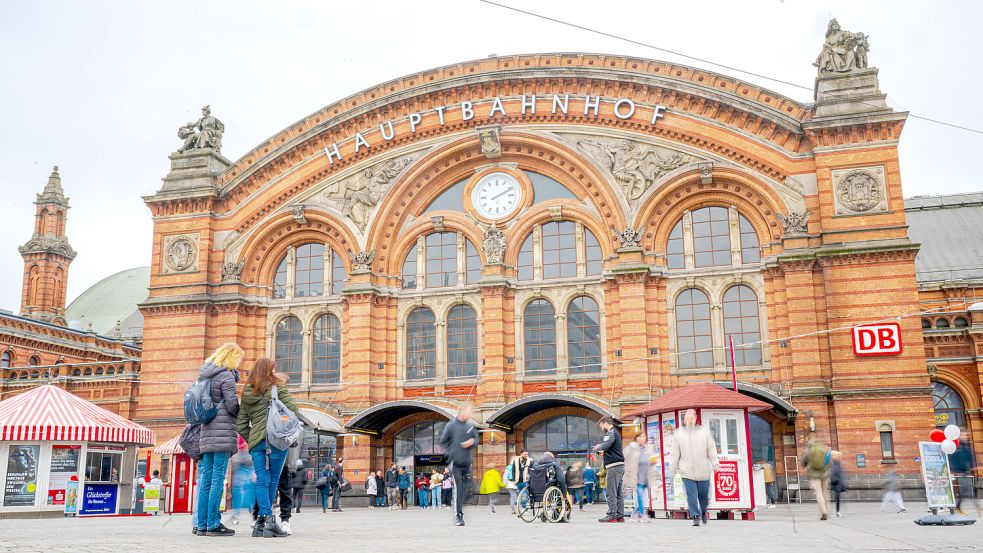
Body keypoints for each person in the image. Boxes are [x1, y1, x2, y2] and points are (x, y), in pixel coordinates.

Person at [237, 356, 300, 538]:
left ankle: (260, 522)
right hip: (278, 442)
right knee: (272, 480)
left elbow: (241, 424)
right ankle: (268, 520)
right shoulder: (278, 387)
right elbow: (294, 410)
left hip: (257, 443)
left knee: (262, 480)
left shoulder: (247, 393)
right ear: (269, 370)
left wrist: (254, 439)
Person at [196, 343, 243, 537]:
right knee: (217, 479)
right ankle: (214, 523)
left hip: (206, 430)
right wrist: (242, 414)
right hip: (222, 431)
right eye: (238, 358)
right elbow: (232, 404)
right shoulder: (226, 375)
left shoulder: (204, 374)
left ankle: (202, 524)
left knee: (205, 479)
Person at [668, 409, 719, 527]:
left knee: (703, 496)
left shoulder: (704, 432)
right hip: (687, 471)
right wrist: (673, 469)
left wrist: (715, 463)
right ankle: (695, 516)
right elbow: (675, 454)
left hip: (703, 470)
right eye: (687, 417)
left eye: (692, 417)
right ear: (684, 420)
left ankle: (703, 512)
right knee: (691, 495)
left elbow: (711, 449)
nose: (690, 420)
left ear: (696, 418)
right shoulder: (679, 434)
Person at [438, 402, 479, 526]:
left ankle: (458, 505)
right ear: (462, 411)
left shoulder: (470, 426)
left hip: (467, 464)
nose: (470, 413)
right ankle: (458, 516)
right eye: (469, 411)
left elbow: (476, 439)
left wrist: (473, 441)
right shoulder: (451, 426)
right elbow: (443, 442)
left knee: (467, 490)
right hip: (456, 464)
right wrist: (451, 454)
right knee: (459, 490)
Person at [592, 416, 625, 523]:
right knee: (618, 492)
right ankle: (620, 515)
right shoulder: (616, 433)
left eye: (601, 425)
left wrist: (597, 447)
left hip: (614, 467)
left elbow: (605, 445)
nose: (601, 428)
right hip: (619, 466)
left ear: (605, 423)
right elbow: (609, 449)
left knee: (611, 491)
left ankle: (612, 515)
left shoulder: (610, 433)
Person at [624, 433, 655, 521]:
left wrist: (653, 461)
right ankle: (642, 514)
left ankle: (635, 514)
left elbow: (650, 461)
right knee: (640, 496)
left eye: (643, 436)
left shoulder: (648, 449)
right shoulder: (631, 448)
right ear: (636, 438)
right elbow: (624, 457)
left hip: (646, 478)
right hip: (636, 477)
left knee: (641, 497)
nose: (641, 438)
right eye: (639, 436)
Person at [801, 432, 831, 520]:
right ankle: (826, 510)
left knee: (818, 492)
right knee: (825, 492)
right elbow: (830, 461)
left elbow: (803, 462)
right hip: (824, 473)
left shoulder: (808, 449)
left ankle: (823, 512)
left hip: (814, 474)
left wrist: (808, 465)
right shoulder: (823, 448)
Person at [228, 449, 256, 526]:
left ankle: (236, 516)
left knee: (239, 489)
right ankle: (254, 514)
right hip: (248, 454)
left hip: (242, 454)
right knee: (250, 487)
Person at [949, 440, 977, 515]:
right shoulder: (955, 451)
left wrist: (972, 467)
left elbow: (970, 459)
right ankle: (958, 507)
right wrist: (957, 471)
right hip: (961, 474)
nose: (966, 436)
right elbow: (953, 462)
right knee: (963, 492)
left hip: (966, 473)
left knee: (969, 490)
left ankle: (977, 506)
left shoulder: (965, 448)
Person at [828, 451, 846, 518]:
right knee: (837, 498)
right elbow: (833, 474)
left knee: (837, 498)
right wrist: (837, 480)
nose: (840, 457)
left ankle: (837, 512)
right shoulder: (835, 463)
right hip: (837, 483)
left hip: (838, 483)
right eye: (838, 456)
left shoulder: (837, 463)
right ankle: (837, 512)